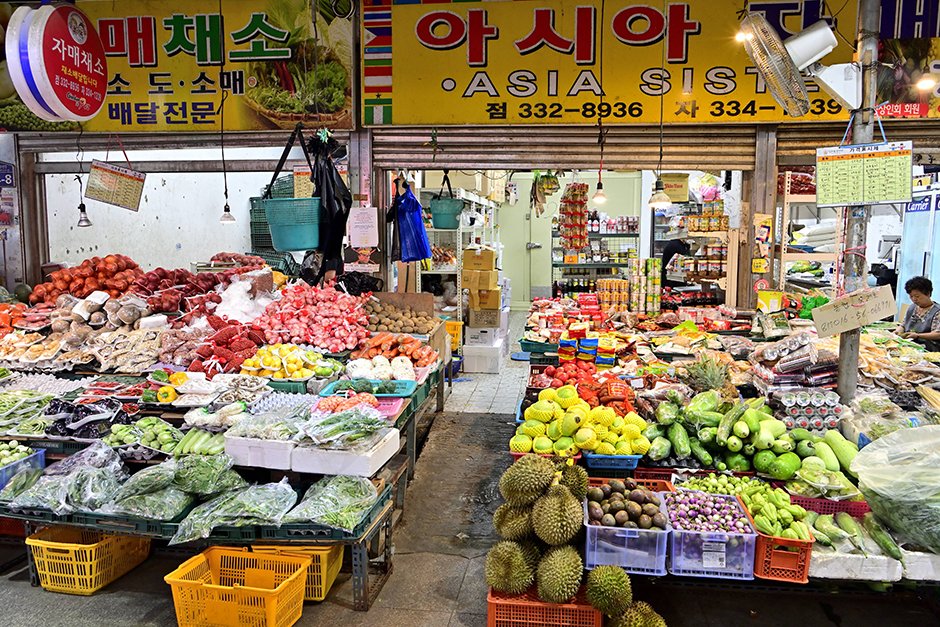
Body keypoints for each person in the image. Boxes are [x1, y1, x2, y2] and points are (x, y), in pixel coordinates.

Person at [897, 276, 940, 351]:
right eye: (911, 296)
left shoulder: (937, 311)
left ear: (928, 294)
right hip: (909, 345)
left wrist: (918, 335)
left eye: (917, 296)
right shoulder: (912, 307)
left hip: (929, 349)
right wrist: (898, 331)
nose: (914, 299)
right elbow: (903, 325)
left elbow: (937, 334)